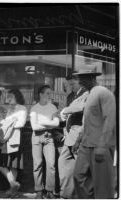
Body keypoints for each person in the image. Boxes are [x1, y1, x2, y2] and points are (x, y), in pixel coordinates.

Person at [72, 66, 116, 198]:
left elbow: (109, 120)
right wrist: (79, 140)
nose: (79, 82)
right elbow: (87, 121)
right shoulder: (90, 94)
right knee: (78, 176)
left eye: (82, 78)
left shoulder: (104, 93)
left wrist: (102, 146)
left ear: (91, 78)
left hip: (99, 146)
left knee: (102, 185)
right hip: (86, 144)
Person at [58, 75, 89, 198]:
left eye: (72, 84)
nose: (70, 87)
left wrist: (65, 110)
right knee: (64, 162)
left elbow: (82, 107)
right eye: (68, 85)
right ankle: (66, 194)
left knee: (82, 168)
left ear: (80, 83)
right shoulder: (72, 95)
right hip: (70, 135)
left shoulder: (87, 93)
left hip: (80, 135)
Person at [0, 89, 27, 198]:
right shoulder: (9, 109)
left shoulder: (22, 108)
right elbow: (7, 123)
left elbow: (21, 124)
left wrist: (8, 122)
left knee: (13, 165)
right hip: (6, 140)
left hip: (15, 139)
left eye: (10, 97)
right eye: (7, 97)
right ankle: (13, 183)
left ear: (17, 97)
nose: (8, 99)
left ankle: (11, 190)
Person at [30, 85, 60, 199]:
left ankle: (49, 190)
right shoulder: (34, 108)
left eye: (50, 93)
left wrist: (41, 121)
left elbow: (56, 123)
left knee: (51, 164)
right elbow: (34, 127)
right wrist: (48, 123)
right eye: (47, 93)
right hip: (36, 137)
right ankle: (38, 190)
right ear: (41, 94)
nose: (49, 95)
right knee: (37, 165)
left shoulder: (53, 107)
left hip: (49, 137)